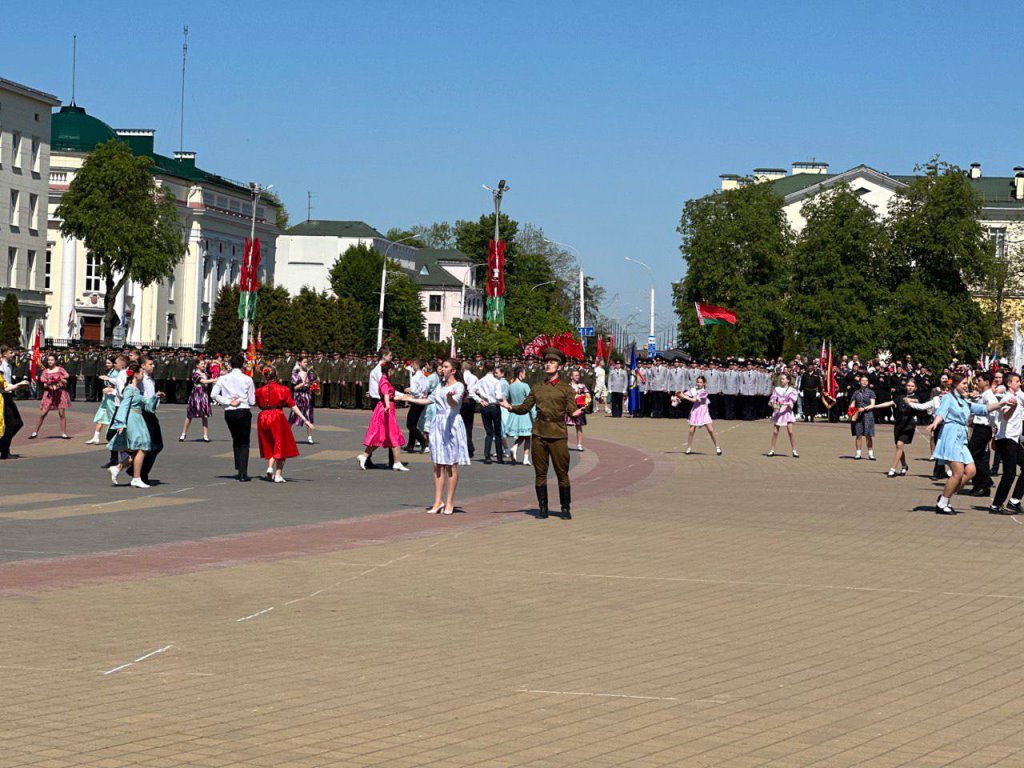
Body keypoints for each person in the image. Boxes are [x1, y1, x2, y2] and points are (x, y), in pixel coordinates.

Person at [500, 347, 583, 520]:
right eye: (546, 362)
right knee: (540, 473)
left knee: (562, 473)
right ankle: (543, 508)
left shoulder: (566, 389)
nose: (547, 365)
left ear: (559, 366)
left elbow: (572, 408)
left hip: (558, 434)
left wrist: (576, 413)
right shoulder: (537, 387)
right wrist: (510, 407)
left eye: (552, 362)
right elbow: (525, 407)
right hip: (539, 433)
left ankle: (565, 508)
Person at [397, 358, 470, 514]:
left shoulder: (459, 386)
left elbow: (453, 403)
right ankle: (438, 501)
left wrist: (450, 397)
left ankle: (449, 502)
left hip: (452, 424)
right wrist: (407, 398)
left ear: (453, 370)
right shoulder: (440, 386)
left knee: (451, 465)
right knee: (438, 464)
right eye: (441, 367)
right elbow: (428, 400)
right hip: (439, 424)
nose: (442, 369)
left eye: (445, 367)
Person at [927, 373, 1007, 515]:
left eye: (966, 384)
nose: (966, 387)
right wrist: (935, 422)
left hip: (962, 438)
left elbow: (984, 409)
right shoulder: (948, 398)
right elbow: (941, 413)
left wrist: (1001, 404)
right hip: (951, 435)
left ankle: (945, 496)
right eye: (963, 384)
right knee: (957, 473)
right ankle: (942, 503)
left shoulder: (965, 402)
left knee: (971, 471)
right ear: (955, 385)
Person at [255, 365, 314, 483]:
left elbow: (256, 403)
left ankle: (270, 467)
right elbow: (293, 406)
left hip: (263, 416)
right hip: (277, 416)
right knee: (281, 444)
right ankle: (278, 474)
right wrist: (305, 419)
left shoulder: (259, 391)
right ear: (276, 375)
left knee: (269, 443)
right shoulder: (283, 389)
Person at [106, 365, 160, 489]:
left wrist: (155, 397)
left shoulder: (137, 389)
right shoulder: (130, 389)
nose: (143, 374)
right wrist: (120, 423)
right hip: (132, 419)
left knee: (139, 449)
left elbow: (147, 407)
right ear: (135, 374)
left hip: (138, 418)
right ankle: (136, 478)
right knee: (142, 447)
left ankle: (118, 468)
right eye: (141, 372)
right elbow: (124, 405)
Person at [862, 376, 922, 478]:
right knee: (899, 447)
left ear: (915, 388)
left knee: (899, 445)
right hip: (899, 424)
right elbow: (889, 403)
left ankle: (892, 469)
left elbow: (917, 402)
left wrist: (910, 401)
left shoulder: (916, 398)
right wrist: (874, 406)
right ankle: (904, 466)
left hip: (909, 425)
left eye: (912, 386)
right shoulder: (900, 397)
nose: (910, 387)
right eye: (908, 385)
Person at [211, 353, 256, 481]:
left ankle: (238, 467)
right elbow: (252, 401)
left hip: (230, 411)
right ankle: (243, 472)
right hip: (243, 410)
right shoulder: (247, 379)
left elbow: (213, 394)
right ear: (242, 365)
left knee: (236, 438)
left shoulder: (223, 378)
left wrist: (227, 401)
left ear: (230, 364)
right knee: (244, 442)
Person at [357, 360, 408, 471]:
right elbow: (385, 393)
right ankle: (397, 462)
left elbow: (389, 395)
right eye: (392, 371)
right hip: (386, 409)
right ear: (389, 370)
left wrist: (404, 397)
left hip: (386, 407)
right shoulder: (384, 381)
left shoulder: (386, 380)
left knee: (384, 435)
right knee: (393, 434)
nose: (393, 373)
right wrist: (387, 406)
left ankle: (365, 456)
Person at [989, 372, 1024, 515]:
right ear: (1009, 384)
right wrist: (1014, 407)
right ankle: (996, 505)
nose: (1019, 383)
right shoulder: (1007, 398)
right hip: (1006, 439)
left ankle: (1014, 501)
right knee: (1009, 474)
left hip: (1015, 440)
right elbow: (1005, 416)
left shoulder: (1018, 396)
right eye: (1017, 381)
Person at [29, 354, 72, 440]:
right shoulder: (45, 371)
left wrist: (59, 380)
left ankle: (64, 433)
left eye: (52, 360)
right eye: (49, 360)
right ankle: (35, 432)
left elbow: (66, 381)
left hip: (60, 393)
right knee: (43, 413)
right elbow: (44, 384)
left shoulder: (60, 369)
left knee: (61, 413)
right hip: (49, 394)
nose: (50, 362)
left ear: (55, 361)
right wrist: (49, 384)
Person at [473, 362, 508, 464]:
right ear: (493, 369)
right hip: (494, 406)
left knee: (488, 432)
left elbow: (472, 391)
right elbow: (498, 396)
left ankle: (487, 456)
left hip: (485, 406)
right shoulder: (496, 381)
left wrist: (480, 399)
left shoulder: (481, 381)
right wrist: (502, 399)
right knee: (497, 432)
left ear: (484, 368)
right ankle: (499, 457)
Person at [678, 375, 722, 455]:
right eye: (698, 382)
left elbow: (694, 400)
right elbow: (685, 395)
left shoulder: (704, 392)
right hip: (695, 411)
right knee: (691, 431)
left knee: (710, 430)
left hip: (703, 411)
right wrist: (678, 396)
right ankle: (689, 448)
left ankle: (717, 447)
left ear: (704, 383)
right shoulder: (693, 389)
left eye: (701, 382)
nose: (699, 384)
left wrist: (683, 396)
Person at [502, 366, 534, 465]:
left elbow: (504, 397)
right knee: (527, 436)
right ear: (520, 374)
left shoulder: (510, 386)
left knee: (522, 435)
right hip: (524, 412)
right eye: (524, 373)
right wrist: (534, 414)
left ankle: (515, 447)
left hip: (514, 412)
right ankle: (525, 458)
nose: (525, 375)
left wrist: (508, 406)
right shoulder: (525, 386)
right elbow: (531, 400)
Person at [0, 346, 28, 459]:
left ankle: (4, 448)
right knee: (11, 424)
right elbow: (3, 387)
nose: (13, 354)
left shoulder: (9, 366)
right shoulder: (2, 366)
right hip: (3, 397)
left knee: (18, 423)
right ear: (4, 354)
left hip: (8, 396)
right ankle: (4, 450)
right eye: (10, 352)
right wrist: (18, 386)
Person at [180, 358, 215, 442]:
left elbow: (211, 376)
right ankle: (183, 433)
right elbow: (203, 381)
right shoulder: (195, 374)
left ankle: (205, 435)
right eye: (202, 364)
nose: (204, 365)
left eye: (204, 364)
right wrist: (214, 380)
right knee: (189, 415)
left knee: (204, 415)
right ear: (197, 365)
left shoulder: (206, 373)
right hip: (196, 395)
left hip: (204, 395)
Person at [767, 373, 799, 458]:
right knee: (775, 432)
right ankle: (772, 450)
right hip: (778, 411)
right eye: (781, 379)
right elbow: (773, 399)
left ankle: (794, 450)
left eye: (783, 379)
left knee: (790, 432)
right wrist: (773, 403)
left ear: (788, 380)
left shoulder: (792, 390)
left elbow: (793, 401)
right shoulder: (777, 389)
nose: (782, 380)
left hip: (787, 412)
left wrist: (786, 404)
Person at [403, 359, 431, 453]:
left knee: (410, 424)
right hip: (422, 400)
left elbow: (414, 390)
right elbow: (427, 387)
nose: (412, 365)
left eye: (414, 364)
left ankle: (423, 442)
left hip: (416, 400)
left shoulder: (416, 377)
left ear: (417, 365)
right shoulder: (424, 376)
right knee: (414, 423)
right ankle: (410, 445)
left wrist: (409, 390)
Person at [289, 356, 317, 445]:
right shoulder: (295, 374)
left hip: (307, 396)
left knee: (308, 415)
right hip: (298, 396)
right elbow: (295, 387)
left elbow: (315, 383)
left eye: (307, 362)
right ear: (300, 363)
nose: (306, 364)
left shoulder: (309, 374)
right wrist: (304, 383)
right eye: (304, 362)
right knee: (293, 415)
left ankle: (309, 437)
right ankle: (286, 435)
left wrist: (315, 383)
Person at [849, 375, 876, 460]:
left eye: (866, 381)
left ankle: (871, 454)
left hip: (868, 415)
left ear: (868, 383)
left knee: (868, 435)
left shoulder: (871, 392)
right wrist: (852, 409)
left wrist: (864, 408)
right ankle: (858, 453)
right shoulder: (856, 392)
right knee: (858, 434)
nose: (864, 382)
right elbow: (852, 404)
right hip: (858, 416)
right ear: (859, 382)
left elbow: (872, 405)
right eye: (863, 380)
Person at [565, 368, 590, 452]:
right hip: (569, 409)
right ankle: (564, 444)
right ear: (571, 377)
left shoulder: (582, 386)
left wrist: (583, 398)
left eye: (578, 375)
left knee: (579, 427)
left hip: (579, 409)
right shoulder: (567, 386)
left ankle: (579, 444)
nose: (578, 377)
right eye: (576, 375)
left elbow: (588, 396)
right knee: (564, 427)